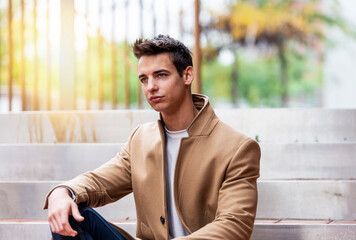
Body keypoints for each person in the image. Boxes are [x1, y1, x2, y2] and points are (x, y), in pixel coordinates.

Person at [44, 35, 261, 240]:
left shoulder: (237, 148)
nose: (151, 87)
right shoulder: (141, 139)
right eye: (144, 79)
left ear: (187, 75)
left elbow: (235, 225)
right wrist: (63, 192)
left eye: (161, 75)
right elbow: (99, 182)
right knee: (70, 213)